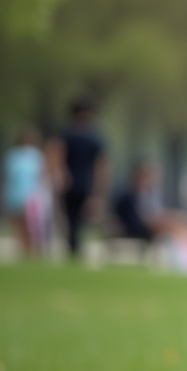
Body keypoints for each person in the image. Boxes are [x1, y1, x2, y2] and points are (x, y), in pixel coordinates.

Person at [111, 160, 187, 273]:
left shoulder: (149, 194)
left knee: (181, 222)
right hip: (135, 228)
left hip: (148, 225)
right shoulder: (127, 195)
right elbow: (135, 218)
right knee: (174, 226)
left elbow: (155, 213)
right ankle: (185, 264)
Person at [48, 95, 108, 259]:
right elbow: (101, 166)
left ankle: (74, 247)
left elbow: (100, 166)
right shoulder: (93, 136)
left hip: (77, 184)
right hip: (76, 183)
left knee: (75, 220)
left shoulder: (68, 133)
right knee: (73, 220)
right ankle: (74, 247)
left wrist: (98, 192)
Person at [2, 126, 51, 257]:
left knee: (31, 226)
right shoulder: (13, 156)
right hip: (16, 194)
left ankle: (32, 251)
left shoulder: (36, 156)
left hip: (32, 196)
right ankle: (23, 251)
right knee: (19, 226)